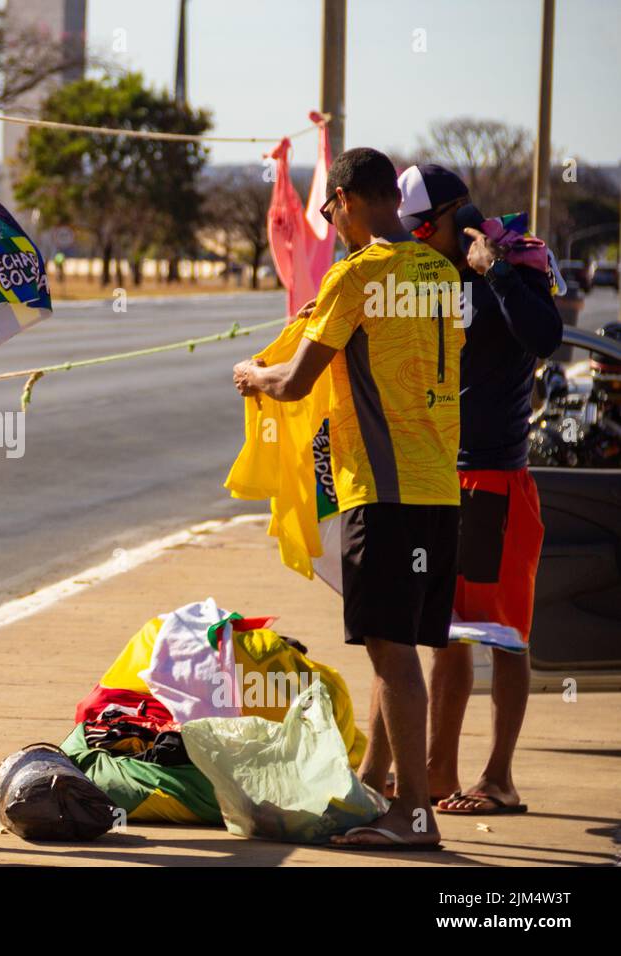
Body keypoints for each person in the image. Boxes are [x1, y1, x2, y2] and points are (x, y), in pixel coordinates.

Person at [232, 147, 463, 849]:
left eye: (331, 210)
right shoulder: (439, 269)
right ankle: (374, 784)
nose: (330, 222)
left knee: (392, 655)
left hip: (382, 490)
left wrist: (253, 372)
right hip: (437, 487)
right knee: (391, 647)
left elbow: (296, 383)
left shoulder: (357, 274)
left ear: (343, 201)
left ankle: (414, 815)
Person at [395, 163, 562, 815]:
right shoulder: (428, 276)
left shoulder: (515, 261)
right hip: (439, 471)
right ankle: (439, 771)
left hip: (494, 475)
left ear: (440, 221)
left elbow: (544, 337)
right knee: (447, 631)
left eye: (416, 231)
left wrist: (493, 269)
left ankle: (499, 779)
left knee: (504, 634)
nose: (412, 243)